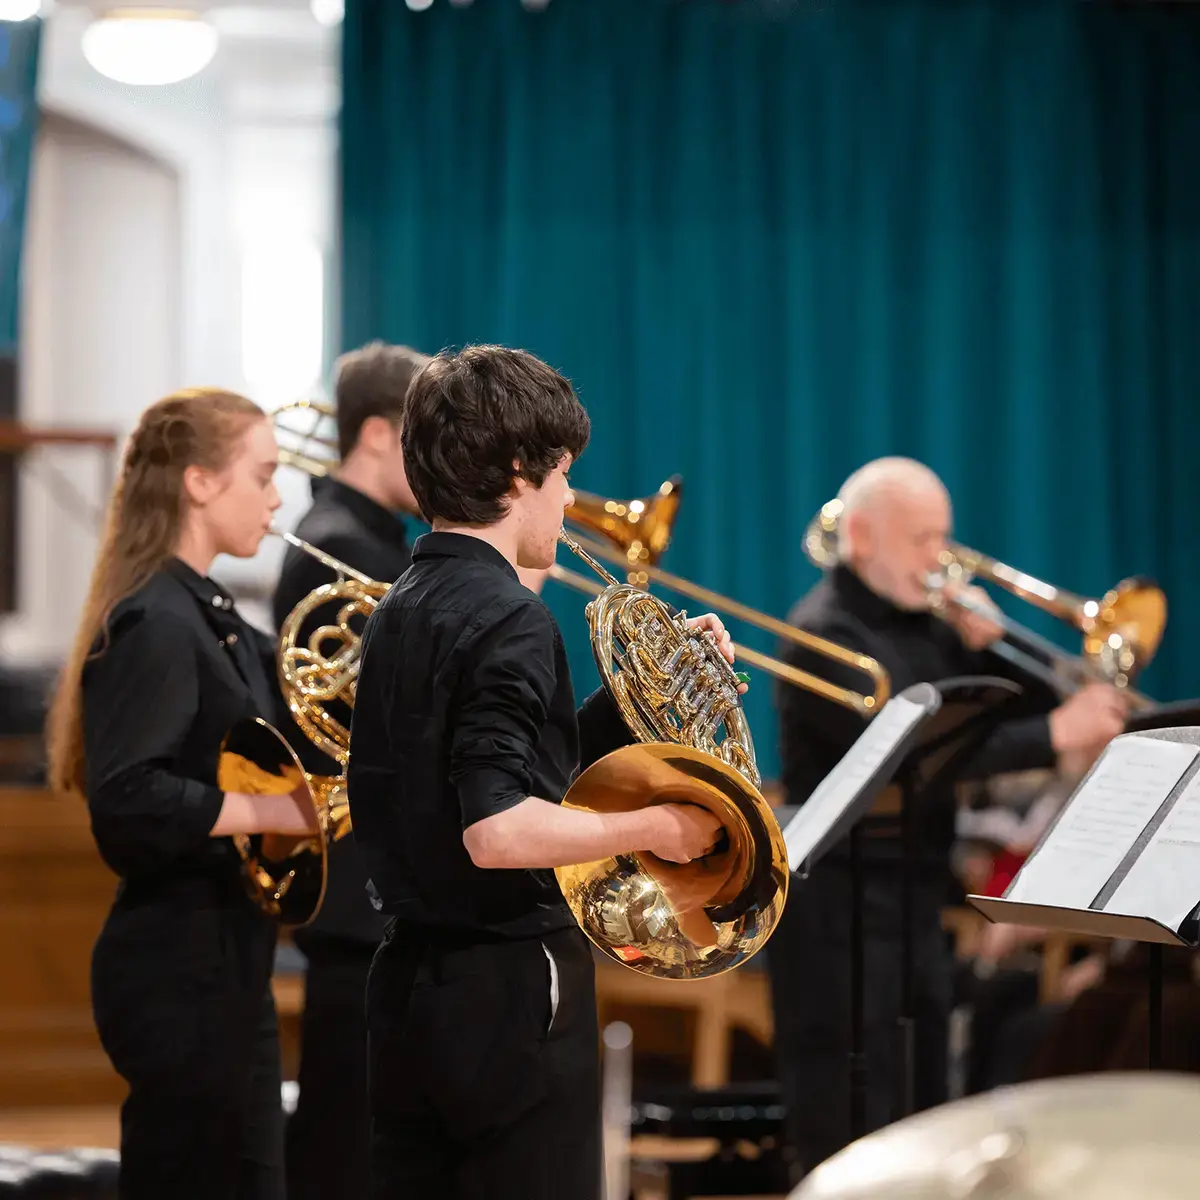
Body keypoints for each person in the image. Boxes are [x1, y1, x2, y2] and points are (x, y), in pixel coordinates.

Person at [347, 345, 735, 1199]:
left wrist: (643, 694)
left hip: (409, 988)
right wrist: (656, 829)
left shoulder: (399, 609)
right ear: (520, 471)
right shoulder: (513, 620)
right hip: (507, 992)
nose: (568, 500)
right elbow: (496, 828)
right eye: (563, 476)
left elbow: (522, 764)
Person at [769, 456, 1129, 1180]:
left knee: (927, 1113)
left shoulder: (928, 626)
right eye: (923, 540)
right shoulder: (824, 631)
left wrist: (988, 643)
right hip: (839, 920)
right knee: (848, 1123)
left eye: (945, 538)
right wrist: (1056, 737)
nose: (942, 561)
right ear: (862, 536)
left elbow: (1021, 705)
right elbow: (916, 757)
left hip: (916, 906)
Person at [45, 389, 318, 1200]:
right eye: (263, 475)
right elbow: (127, 799)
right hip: (174, 974)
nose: (276, 499)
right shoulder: (159, 622)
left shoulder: (212, 615)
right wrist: (275, 815)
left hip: (226, 964)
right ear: (200, 482)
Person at [271, 341, 429, 1200]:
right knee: (344, 1153)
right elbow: (383, 724)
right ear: (376, 435)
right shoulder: (340, 547)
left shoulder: (370, 542)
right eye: (423, 438)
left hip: (369, 890)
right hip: (356, 890)